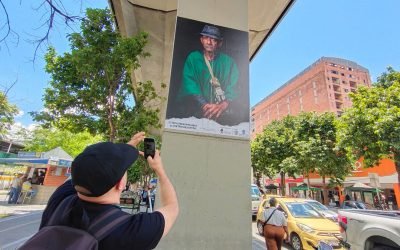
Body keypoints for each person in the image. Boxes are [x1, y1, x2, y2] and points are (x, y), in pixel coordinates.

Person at [39, 132, 179, 249]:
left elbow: (89, 172)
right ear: (120, 184)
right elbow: (172, 207)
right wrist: (159, 170)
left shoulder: (60, 201)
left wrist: (120, 154)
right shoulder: (131, 230)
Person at [177, 24, 240, 125]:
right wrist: (204, 105)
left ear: (220, 43)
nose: (209, 42)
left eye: (213, 39)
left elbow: (235, 85)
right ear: (201, 40)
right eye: (206, 38)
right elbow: (189, 83)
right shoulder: (193, 58)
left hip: (223, 115)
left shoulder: (229, 62)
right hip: (196, 113)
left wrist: (223, 105)